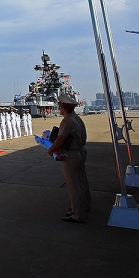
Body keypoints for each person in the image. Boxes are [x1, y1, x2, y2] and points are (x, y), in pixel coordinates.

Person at [48, 92, 90, 224]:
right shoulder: (76, 118)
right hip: (80, 151)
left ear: (63, 108)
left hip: (71, 154)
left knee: (73, 185)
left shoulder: (67, 121)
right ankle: (84, 206)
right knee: (82, 181)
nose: (59, 109)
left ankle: (77, 213)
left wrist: (51, 148)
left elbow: (61, 138)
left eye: (60, 106)